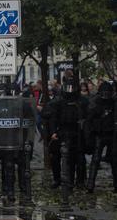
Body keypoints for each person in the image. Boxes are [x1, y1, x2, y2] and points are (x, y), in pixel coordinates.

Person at [47, 72, 88, 204]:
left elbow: (87, 116)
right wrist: (53, 132)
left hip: (76, 131)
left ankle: (79, 181)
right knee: (55, 156)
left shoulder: (81, 101)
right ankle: (57, 179)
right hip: (61, 131)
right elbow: (51, 116)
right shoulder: (58, 101)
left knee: (78, 158)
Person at [86, 81, 116, 193]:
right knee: (96, 159)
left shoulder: (113, 102)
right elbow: (90, 119)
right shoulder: (96, 102)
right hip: (100, 134)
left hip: (111, 134)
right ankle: (90, 184)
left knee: (114, 160)